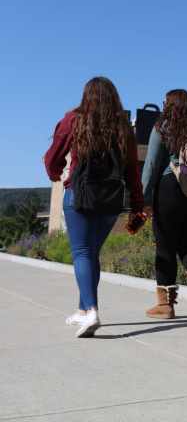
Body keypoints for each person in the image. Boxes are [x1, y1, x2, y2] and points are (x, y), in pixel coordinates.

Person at [44, 77, 144, 337]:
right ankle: (82, 309)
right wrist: (136, 205)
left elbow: (53, 155)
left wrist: (55, 174)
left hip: (80, 195)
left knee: (81, 252)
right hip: (111, 199)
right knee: (91, 253)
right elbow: (133, 169)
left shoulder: (73, 119)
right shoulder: (122, 126)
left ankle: (91, 311)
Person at [141, 89, 187, 319]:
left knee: (165, 247)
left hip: (171, 188)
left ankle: (166, 305)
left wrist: (142, 199)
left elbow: (152, 165)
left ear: (169, 104)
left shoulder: (163, 126)